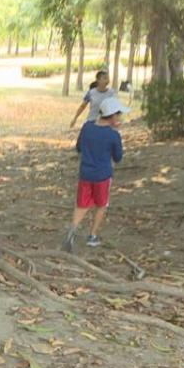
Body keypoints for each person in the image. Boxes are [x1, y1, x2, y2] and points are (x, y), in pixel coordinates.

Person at [62, 97, 128, 252]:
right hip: (102, 176)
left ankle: (73, 228)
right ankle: (92, 235)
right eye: (118, 115)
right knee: (101, 204)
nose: (120, 118)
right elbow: (118, 158)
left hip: (85, 172)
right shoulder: (113, 135)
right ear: (112, 116)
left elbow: (79, 147)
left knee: (82, 204)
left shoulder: (87, 127)